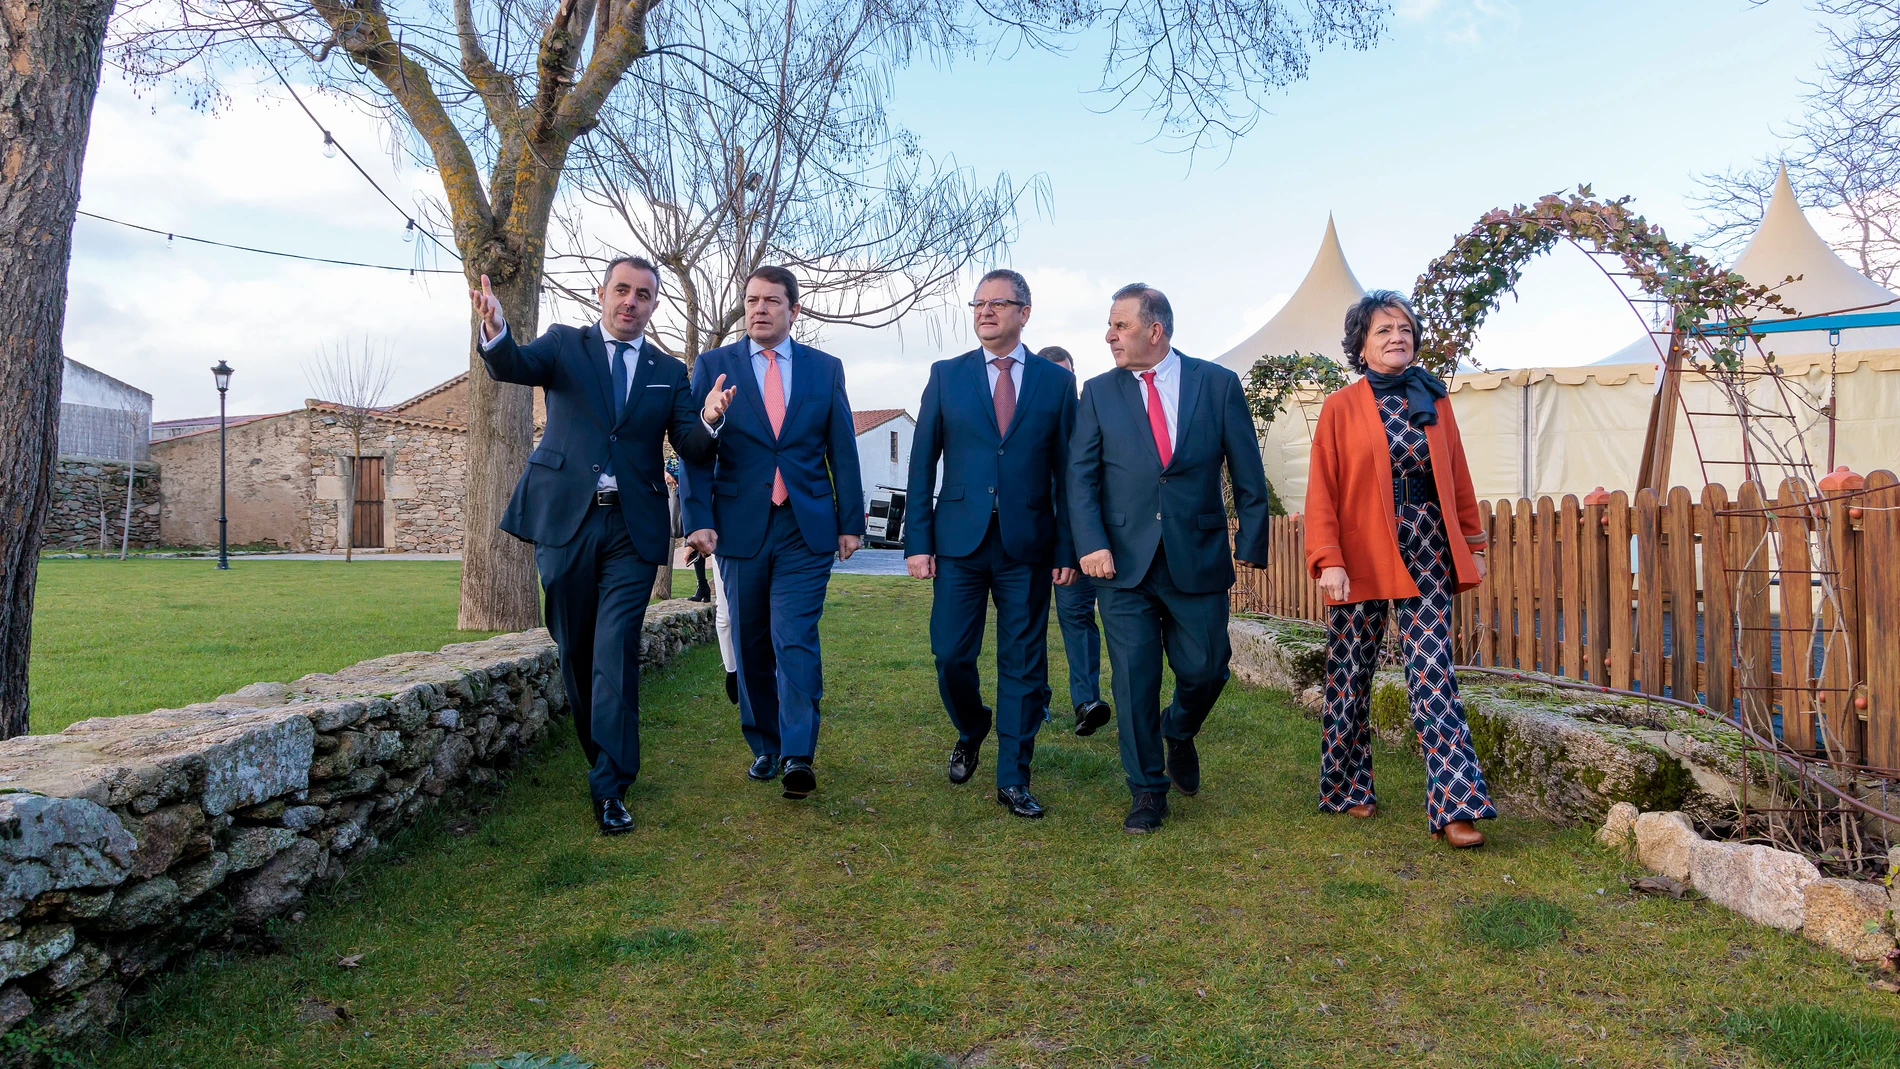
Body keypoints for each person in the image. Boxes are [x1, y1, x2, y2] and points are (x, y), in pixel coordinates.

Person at [470, 258, 728, 835]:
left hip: (633, 531)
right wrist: (495, 329)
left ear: (655, 305)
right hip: (566, 522)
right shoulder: (565, 344)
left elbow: (689, 443)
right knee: (577, 650)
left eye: (642, 295)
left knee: (614, 649)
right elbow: (512, 365)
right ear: (602, 293)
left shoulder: (668, 368)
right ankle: (601, 753)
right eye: (621, 291)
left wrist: (710, 420)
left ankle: (611, 782)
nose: (630, 302)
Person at [1069, 284, 1271, 834]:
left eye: (1120, 326)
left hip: (1197, 555)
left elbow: (1246, 471)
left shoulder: (1218, 384)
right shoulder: (1098, 392)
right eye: (1110, 327)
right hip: (1121, 565)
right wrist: (1089, 543)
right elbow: (1080, 478)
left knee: (1207, 668)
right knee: (1133, 678)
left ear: (1155, 330)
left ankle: (1178, 730)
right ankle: (1147, 790)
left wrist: (1251, 543)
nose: (1109, 336)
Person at [1305, 290, 1496, 849]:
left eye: (1405, 329)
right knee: (1350, 672)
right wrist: (1328, 560)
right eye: (1384, 330)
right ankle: (1346, 786)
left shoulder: (1434, 400)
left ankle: (1456, 806)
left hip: (1427, 545)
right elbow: (1322, 491)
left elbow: (1457, 476)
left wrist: (1473, 540)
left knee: (1433, 674)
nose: (1397, 337)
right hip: (1361, 548)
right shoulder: (1341, 406)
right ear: (1361, 345)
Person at [681, 266, 865, 801]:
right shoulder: (714, 366)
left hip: (805, 526)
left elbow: (842, 449)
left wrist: (850, 521)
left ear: (794, 310)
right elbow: (695, 451)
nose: (759, 309)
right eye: (751, 300)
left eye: (771, 301)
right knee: (752, 639)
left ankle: (798, 754)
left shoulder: (824, 369)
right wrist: (697, 517)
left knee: (794, 637)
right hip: (739, 527)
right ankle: (764, 742)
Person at [904, 270, 1078, 819]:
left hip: (1027, 542)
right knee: (951, 653)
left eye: (998, 304)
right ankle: (973, 725)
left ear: (1024, 312)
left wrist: (1067, 547)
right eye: (978, 304)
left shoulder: (1054, 382)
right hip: (959, 540)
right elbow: (920, 462)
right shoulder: (946, 375)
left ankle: (1012, 776)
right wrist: (917, 540)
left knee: (1023, 662)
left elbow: (1068, 471)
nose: (984, 312)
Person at [1035, 345, 1113, 738]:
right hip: (1031, 539)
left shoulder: (1090, 416)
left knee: (1077, 618)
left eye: (1066, 377)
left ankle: (1086, 703)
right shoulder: (1023, 416)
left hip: (1078, 539)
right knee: (1029, 623)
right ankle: (1036, 702)